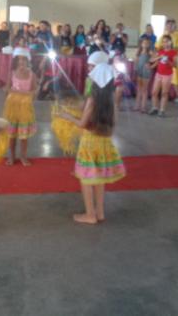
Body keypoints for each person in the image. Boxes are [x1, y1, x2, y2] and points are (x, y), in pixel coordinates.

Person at [58, 63, 125, 224]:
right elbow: (113, 123)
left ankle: (89, 214)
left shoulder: (92, 100)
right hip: (105, 142)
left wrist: (67, 116)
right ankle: (100, 212)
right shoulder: (111, 100)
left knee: (86, 178)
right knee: (99, 178)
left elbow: (82, 124)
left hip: (89, 143)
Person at [3, 48, 37, 166]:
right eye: (19, 59)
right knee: (11, 134)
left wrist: (29, 94)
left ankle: (23, 156)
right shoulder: (12, 73)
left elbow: (34, 90)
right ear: (16, 61)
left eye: (24, 59)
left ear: (28, 61)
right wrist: (11, 91)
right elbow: (6, 88)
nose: (21, 62)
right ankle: (11, 156)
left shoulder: (31, 74)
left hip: (25, 107)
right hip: (12, 106)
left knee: (24, 135)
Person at [155, 19, 178, 104]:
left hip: (174, 57)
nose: (170, 26)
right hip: (163, 58)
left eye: (172, 25)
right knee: (162, 77)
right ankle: (161, 96)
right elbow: (158, 47)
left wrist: (174, 53)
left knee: (176, 78)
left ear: (174, 25)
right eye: (168, 25)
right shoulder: (163, 35)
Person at [149, 34, 177, 117]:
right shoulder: (160, 51)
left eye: (166, 41)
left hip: (167, 75)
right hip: (158, 74)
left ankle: (162, 110)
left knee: (164, 93)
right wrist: (159, 57)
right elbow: (152, 60)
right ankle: (155, 108)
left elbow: (175, 65)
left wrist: (168, 61)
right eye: (163, 42)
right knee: (154, 92)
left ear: (170, 42)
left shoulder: (174, 52)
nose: (165, 43)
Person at [132, 37, 154, 113]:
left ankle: (143, 106)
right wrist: (135, 71)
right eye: (143, 43)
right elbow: (135, 62)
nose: (145, 44)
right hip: (139, 70)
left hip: (146, 71)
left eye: (147, 43)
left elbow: (156, 59)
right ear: (141, 44)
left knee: (144, 89)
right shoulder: (139, 52)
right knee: (139, 89)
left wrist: (151, 66)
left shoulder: (150, 52)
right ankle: (137, 105)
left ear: (149, 44)